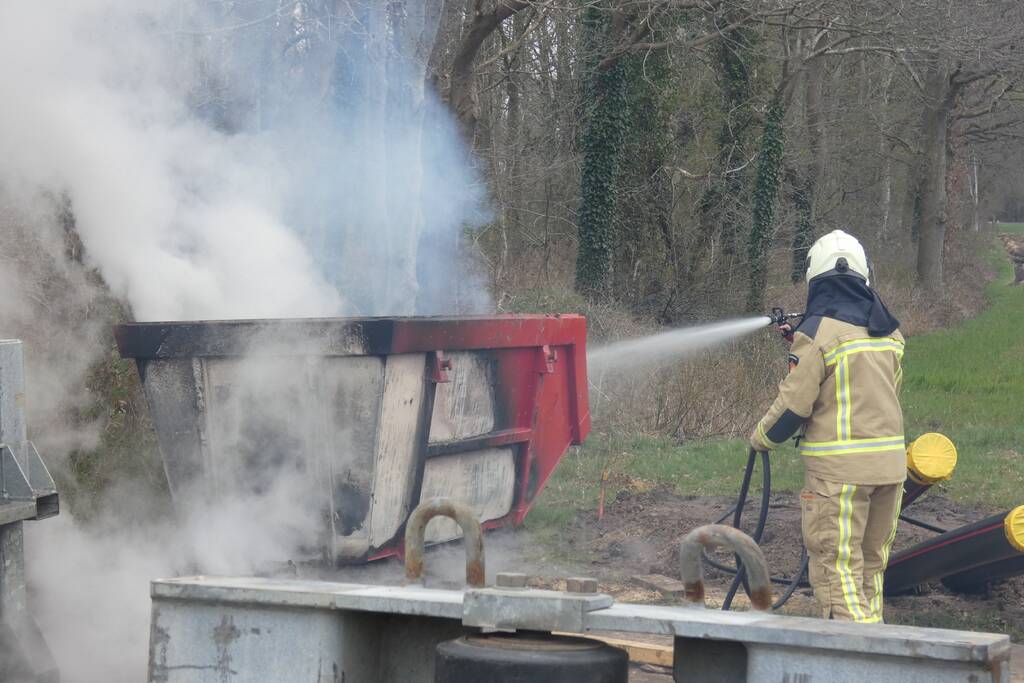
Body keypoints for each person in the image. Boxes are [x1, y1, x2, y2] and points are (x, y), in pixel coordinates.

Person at [750, 230, 905, 623]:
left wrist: (761, 438)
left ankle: (855, 662)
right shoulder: (889, 331)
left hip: (840, 478)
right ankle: (881, 651)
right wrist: (800, 342)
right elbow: (873, 390)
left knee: (837, 574)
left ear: (815, 279)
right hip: (890, 470)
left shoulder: (818, 334)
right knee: (870, 570)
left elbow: (792, 407)